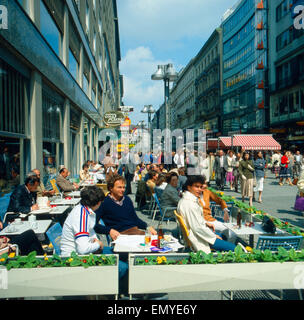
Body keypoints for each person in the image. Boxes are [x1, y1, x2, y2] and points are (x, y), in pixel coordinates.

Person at [177, 175, 236, 254]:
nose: (199, 190)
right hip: (199, 238)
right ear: (189, 187)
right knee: (236, 249)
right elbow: (197, 228)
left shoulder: (187, 200)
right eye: (196, 187)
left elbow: (195, 221)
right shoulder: (189, 204)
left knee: (223, 236)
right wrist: (213, 236)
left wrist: (206, 223)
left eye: (201, 187)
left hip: (200, 233)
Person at [60, 186, 106, 256]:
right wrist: (98, 244)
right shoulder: (82, 216)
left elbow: (89, 230)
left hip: (79, 254)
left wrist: (96, 241)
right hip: (73, 258)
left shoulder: (82, 209)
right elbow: (82, 249)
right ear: (98, 202)